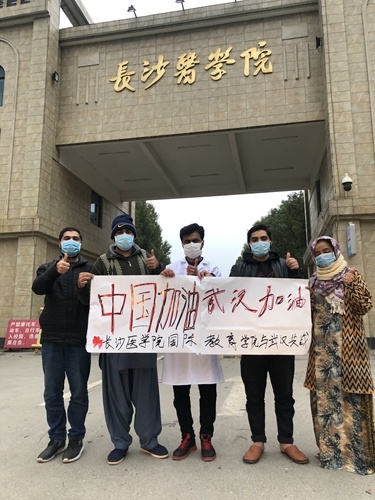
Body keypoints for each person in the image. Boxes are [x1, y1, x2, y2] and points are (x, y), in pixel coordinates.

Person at [76, 213, 169, 465]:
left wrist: (160, 270)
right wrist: (82, 286)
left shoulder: (146, 260)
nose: (123, 236)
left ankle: (150, 440)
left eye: (127, 231)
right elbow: (89, 302)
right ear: (113, 236)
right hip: (113, 340)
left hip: (143, 338)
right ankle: (120, 442)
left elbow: (165, 291)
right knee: (115, 393)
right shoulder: (102, 263)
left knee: (146, 391)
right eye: (119, 232)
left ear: (134, 235)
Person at [229, 224, 308, 465]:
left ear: (271, 241)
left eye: (264, 238)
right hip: (252, 344)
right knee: (254, 395)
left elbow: (298, 295)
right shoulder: (239, 268)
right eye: (255, 239)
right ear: (249, 243)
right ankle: (257, 441)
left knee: (284, 394)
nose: (259, 242)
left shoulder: (284, 265)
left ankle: (287, 441)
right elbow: (229, 298)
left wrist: (296, 271)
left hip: (281, 343)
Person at [304, 236, 375, 475]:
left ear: (336, 251)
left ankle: (358, 458)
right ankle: (330, 455)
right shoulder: (313, 283)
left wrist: (352, 284)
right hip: (322, 355)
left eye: (327, 250)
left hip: (349, 353)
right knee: (326, 404)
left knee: (352, 403)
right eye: (319, 252)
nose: (323, 255)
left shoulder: (351, 275)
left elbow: (365, 305)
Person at [160, 223, 224, 461]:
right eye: (187, 241)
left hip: (204, 339)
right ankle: (187, 436)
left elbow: (222, 298)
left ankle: (206, 435)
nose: (191, 245)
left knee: (208, 390)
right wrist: (166, 279)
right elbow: (163, 298)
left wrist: (211, 280)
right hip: (179, 339)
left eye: (195, 240)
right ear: (182, 244)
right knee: (181, 391)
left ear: (203, 242)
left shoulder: (213, 268)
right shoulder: (172, 268)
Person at [32, 227, 92, 463]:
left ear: (81, 243)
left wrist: (83, 286)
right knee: (52, 393)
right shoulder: (47, 268)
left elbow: (97, 301)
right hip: (52, 340)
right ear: (59, 243)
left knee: (78, 393)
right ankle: (56, 439)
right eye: (67, 239)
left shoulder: (90, 269)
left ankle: (76, 438)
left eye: (76, 239)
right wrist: (55, 272)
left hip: (79, 340)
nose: (71, 242)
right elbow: (38, 288)